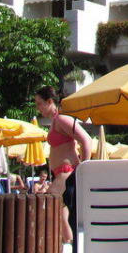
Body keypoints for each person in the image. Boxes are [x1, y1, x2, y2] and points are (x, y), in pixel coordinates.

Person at [35, 86, 92, 245]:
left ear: (50, 102)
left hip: (66, 172)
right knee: (59, 210)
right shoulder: (56, 121)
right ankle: (67, 240)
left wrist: (83, 168)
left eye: (40, 103)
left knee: (48, 205)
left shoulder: (62, 119)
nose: (38, 108)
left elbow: (86, 140)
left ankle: (67, 241)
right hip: (62, 173)